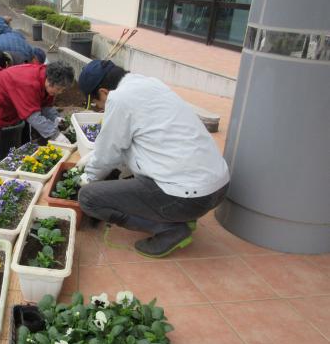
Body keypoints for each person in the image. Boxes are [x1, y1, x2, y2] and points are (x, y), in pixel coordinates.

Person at [75, 60, 230, 258]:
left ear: (104, 92)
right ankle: (179, 217)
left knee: (89, 198)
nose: (100, 107)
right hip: (218, 187)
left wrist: (87, 179)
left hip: (190, 198)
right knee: (136, 175)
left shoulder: (119, 99)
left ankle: (169, 229)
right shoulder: (150, 84)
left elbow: (107, 154)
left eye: (98, 103)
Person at [0, 61, 74, 176]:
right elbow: (33, 117)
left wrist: (56, 119)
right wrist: (56, 135)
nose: (60, 92)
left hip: (11, 94)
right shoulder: (29, 84)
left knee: (38, 129)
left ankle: (24, 166)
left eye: (62, 90)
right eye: (58, 89)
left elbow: (44, 106)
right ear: (49, 81)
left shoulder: (44, 76)